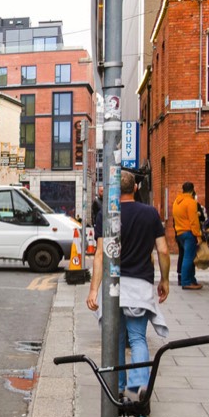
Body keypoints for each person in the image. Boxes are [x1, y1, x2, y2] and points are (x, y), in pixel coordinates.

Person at [86, 170, 170, 400]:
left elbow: (101, 254)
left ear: (113, 190)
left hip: (113, 286)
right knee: (138, 338)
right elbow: (162, 250)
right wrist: (164, 280)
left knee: (117, 339)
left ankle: (119, 387)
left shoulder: (107, 214)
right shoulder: (150, 213)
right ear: (135, 188)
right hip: (140, 286)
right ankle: (137, 390)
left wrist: (94, 290)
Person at [171, 181, 203, 290]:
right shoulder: (190, 202)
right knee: (189, 258)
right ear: (192, 190)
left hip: (179, 232)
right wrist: (198, 235)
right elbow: (194, 221)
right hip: (189, 232)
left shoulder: (177, 201)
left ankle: (191, 280)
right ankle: (186, 281)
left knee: (186, 256)